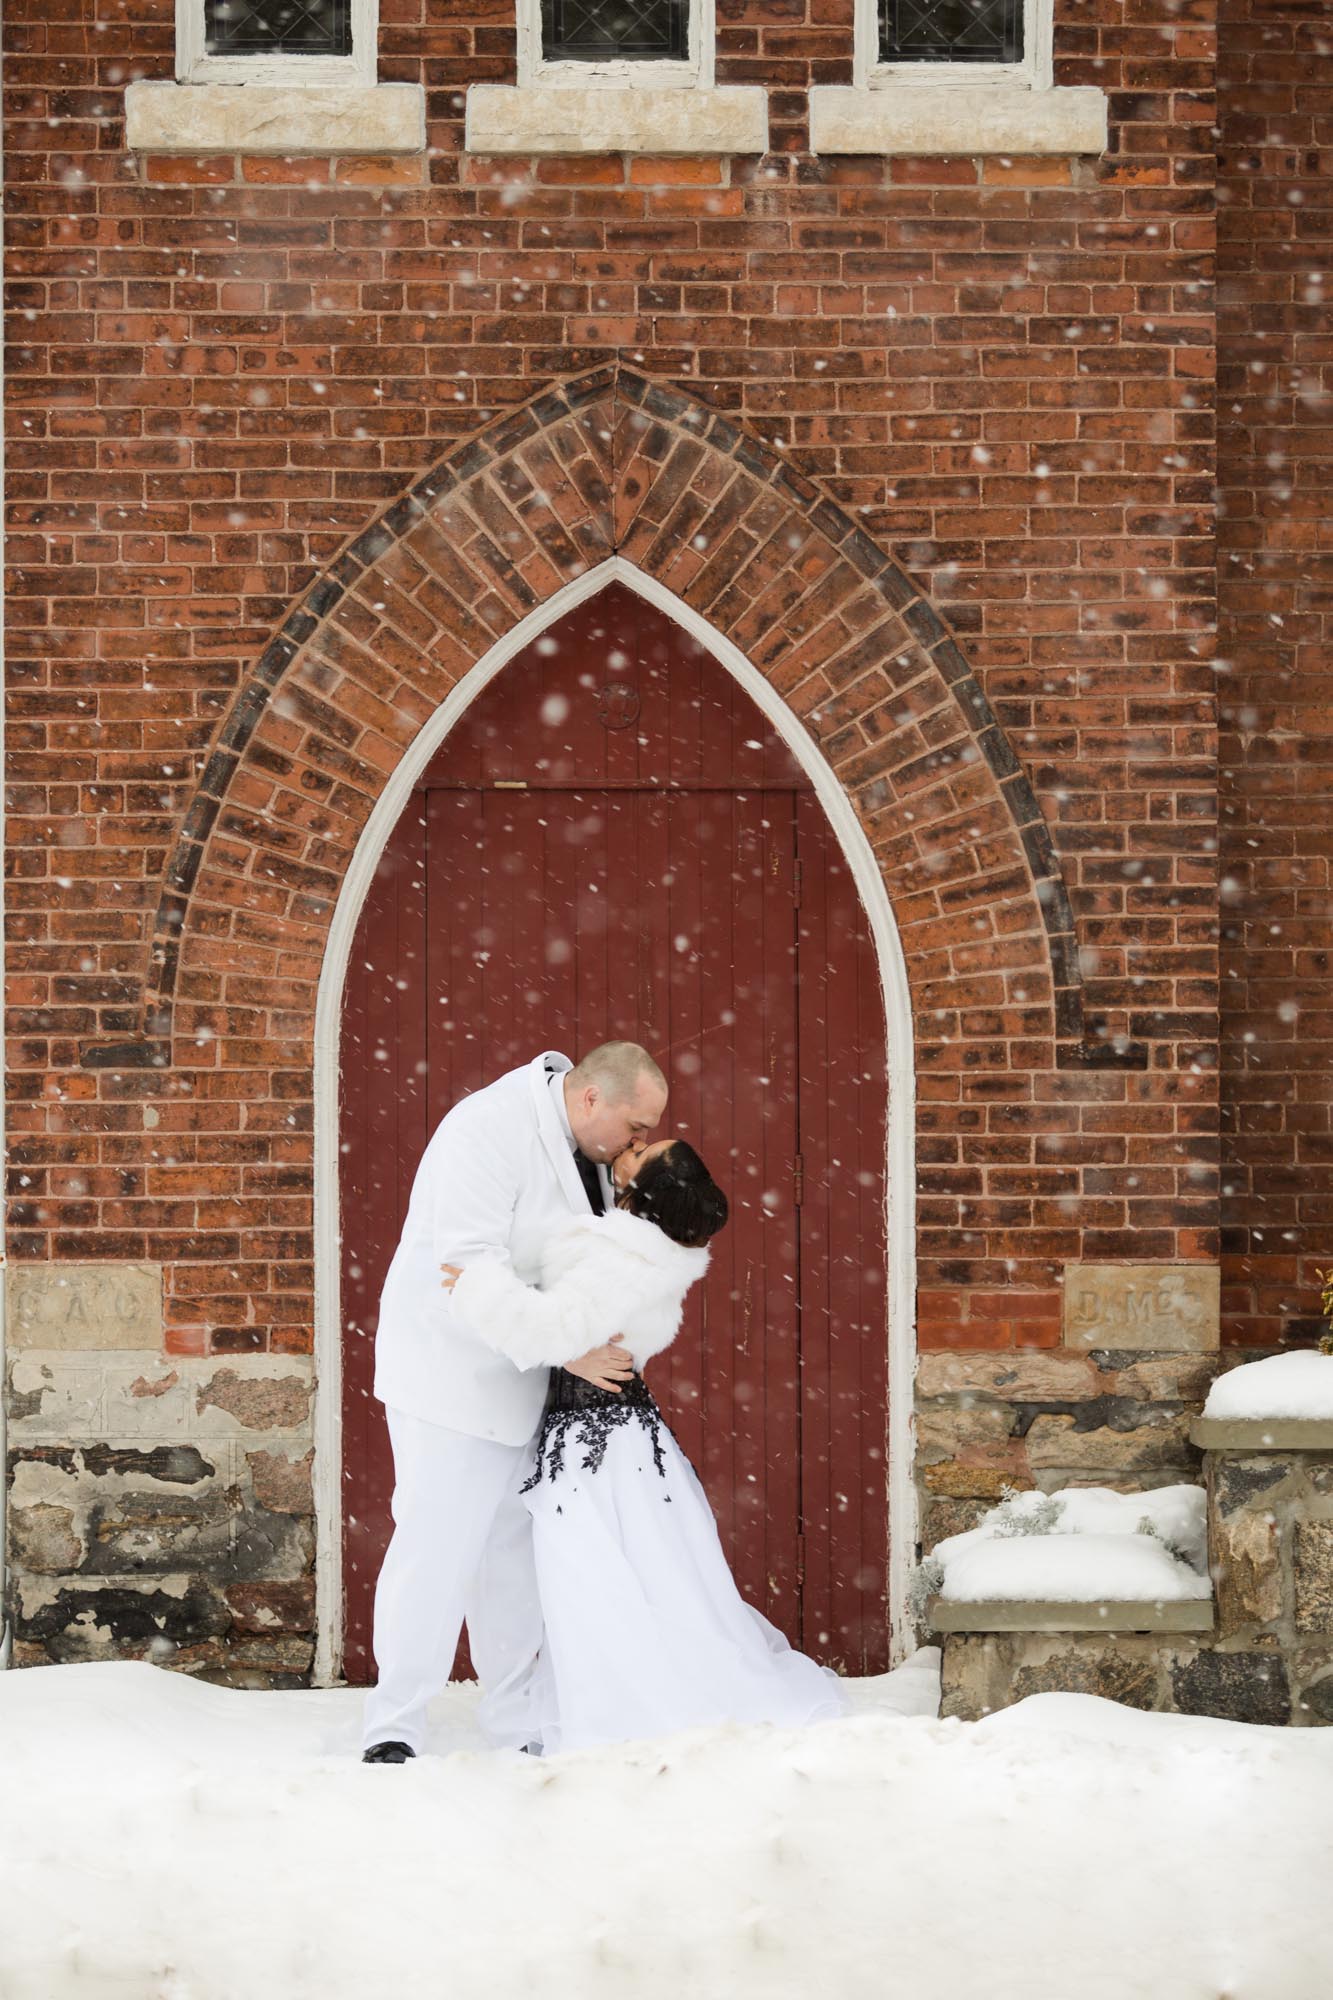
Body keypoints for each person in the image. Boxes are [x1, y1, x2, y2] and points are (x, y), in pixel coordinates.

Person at [441, 1136, 845, 1754]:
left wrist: (474, 1289)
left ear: (640, 1190)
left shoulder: (611, 1255)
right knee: (637, 1567)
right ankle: (614, 1687)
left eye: (638, 1154)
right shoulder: (656, 1254)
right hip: (621, 1431)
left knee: (591, 1571)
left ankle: (615, 1701)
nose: (626, 1149)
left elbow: (554, 1330)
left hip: (590, 1438)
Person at [360, 1042, 668, 1763]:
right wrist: (568, 1348)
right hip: (449, 1373)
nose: (640, 1142)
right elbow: (464, 1266)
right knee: (434, 1548)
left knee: (510, 1554)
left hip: (525, 1382)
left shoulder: (590, 1150)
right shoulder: (485, 1129)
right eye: (636, 1127)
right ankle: (394, 1724)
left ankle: (513, 1722)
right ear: (591, 1099)